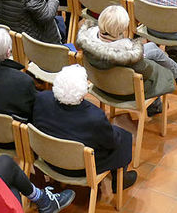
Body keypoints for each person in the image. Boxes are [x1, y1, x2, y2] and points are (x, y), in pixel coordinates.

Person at [32, 65, 137, 193]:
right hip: (82, 170)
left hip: (49, 161)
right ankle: (120, 181)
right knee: (123, 137)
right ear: (83, 91)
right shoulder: (95, 117)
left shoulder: (42, 99)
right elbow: (112, 143)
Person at [76, 6, 177, 115]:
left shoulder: (87, 40)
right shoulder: (128, 54)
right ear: (122, 28)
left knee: (151, 52)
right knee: (158, 73)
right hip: (124, 94)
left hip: (100, 86)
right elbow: (147, 74)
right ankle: (176, 78)